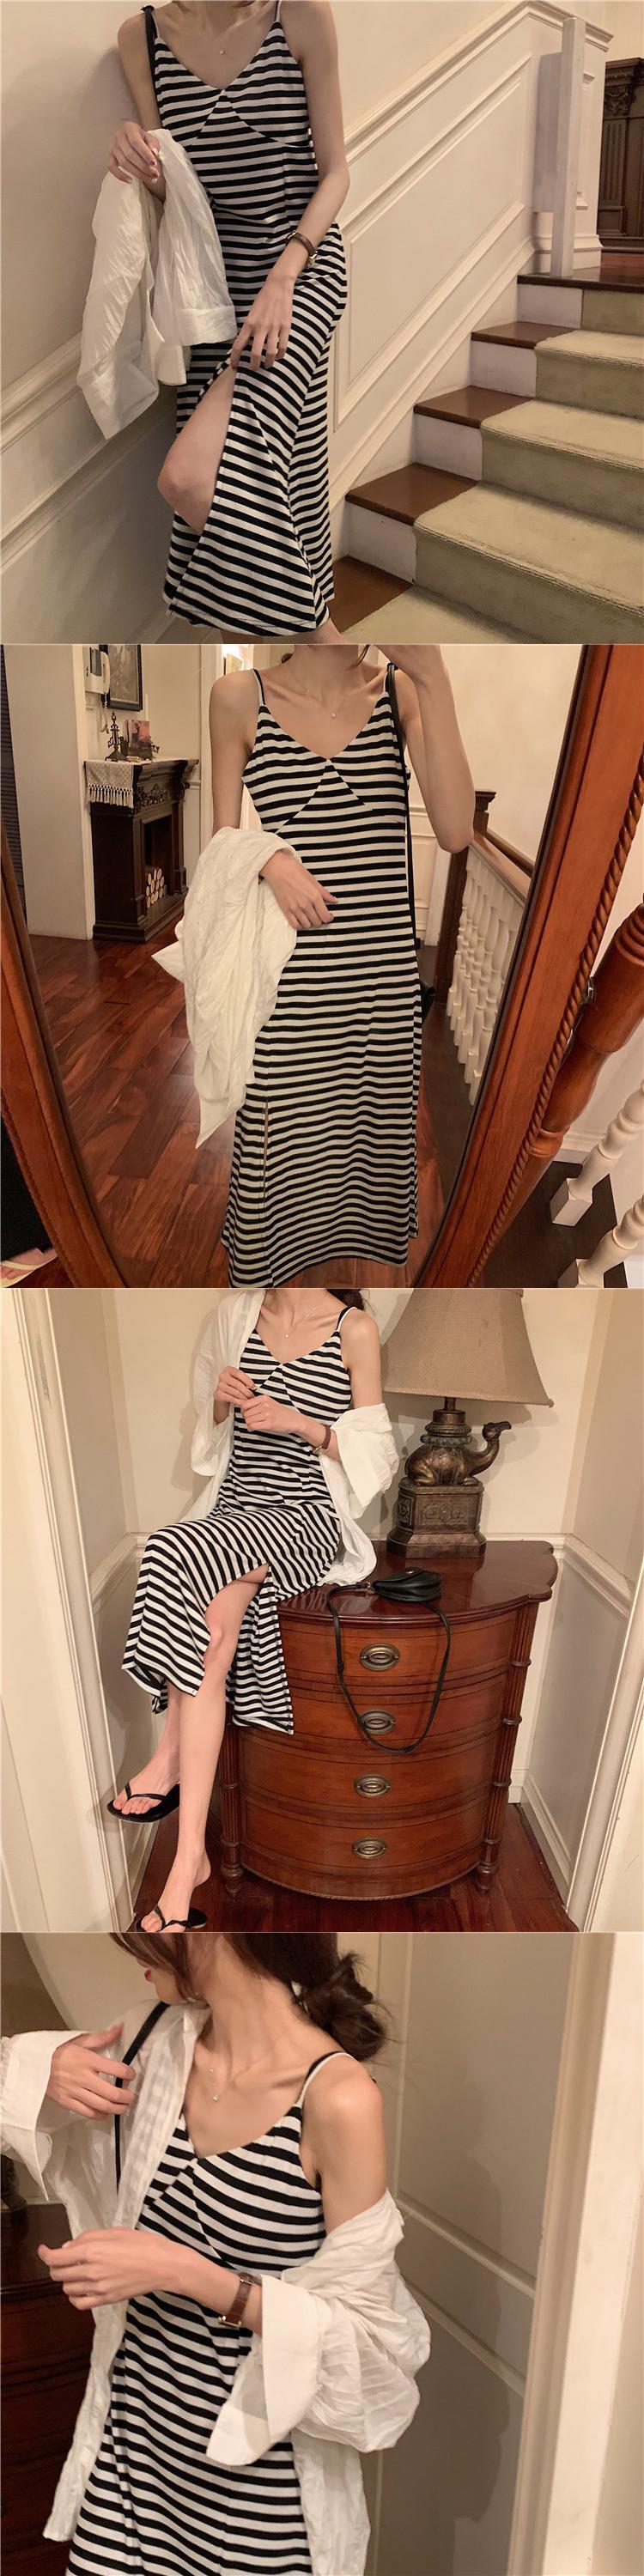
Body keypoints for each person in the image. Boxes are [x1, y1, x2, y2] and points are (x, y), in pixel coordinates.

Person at [1, 1931, 430, 2576]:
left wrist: (180, 2270)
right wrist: (39, 2066)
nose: (137, 1953)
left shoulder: (337, 2098)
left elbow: (371, 2349)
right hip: (132, 2455)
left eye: (148, 1933)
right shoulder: (152, 2041)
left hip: (255, 2481)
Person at [110, 1286, 398, 1930]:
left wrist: (301, 1423)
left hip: (303, 1516)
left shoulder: (355, 1329)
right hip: (234, 1508)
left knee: (166, 1547)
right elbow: (211, 1430)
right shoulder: (235, 1314)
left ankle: (170, 1757)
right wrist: (221, 1400)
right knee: (212, 1641)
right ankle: (191, 1859)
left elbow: (378, 1460)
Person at [208, 641, 476, 1281]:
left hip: (380, 980)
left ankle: (340, 1254)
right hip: (290, 978)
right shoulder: (239, 696)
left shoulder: (399, 693)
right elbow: (222, 842)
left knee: (366, 1133)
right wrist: (270, 860)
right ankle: (268, 1263)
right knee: (280, 1136)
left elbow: (456, 831)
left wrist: (433, 674)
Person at [110, 1, 349, 633]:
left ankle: (329, 646)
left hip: (300, 272)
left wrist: (285, 277)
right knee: (270, 476)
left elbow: (336, 173)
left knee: (192, 478)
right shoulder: (142, 38)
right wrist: (138, 153)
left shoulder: (298, 15)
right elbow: (177, 188)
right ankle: (319, 648)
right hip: (211, 295)